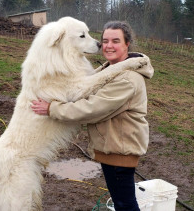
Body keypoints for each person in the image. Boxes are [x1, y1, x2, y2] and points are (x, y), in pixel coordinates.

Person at [31, 21, 154, 211]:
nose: (108, 46)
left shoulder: (127, 78)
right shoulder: (111, 69)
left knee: (125, 204)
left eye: (115, 41)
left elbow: (91, 109)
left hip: (120, 150)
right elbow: (87, 88)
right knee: (122, 200)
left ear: (127, 43)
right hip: (112, 148)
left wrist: (51, 109)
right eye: (105, 41)